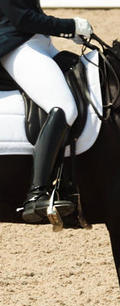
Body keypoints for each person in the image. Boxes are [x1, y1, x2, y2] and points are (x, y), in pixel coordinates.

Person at [0, 0, 93, 223]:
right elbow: (22, 18)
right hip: (16, 44)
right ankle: (37, 193)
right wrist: (69, 25)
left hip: (38, 41)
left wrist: (69, 32)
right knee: (64, 108)